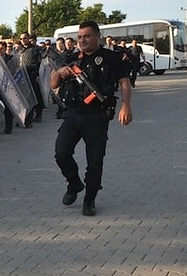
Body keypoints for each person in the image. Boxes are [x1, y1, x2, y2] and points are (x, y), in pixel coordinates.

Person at [51, 21, 132, 216]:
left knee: (94, 160)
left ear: (97, 36)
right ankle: (74, 183)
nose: (82, 40)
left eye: (86, 36)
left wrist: (126, 105)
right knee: (61, 152)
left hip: (97, 115)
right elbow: (53, 83)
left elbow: (125, 83)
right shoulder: (71, 58)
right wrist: (60, 73)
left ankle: (90, 199)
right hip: (72, 114)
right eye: (79, 37)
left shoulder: (110, 58)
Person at [17, 32, 44, 126]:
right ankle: (24, 118)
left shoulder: (36, 49)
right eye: (21, 39)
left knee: (33, 96)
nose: (23, 40)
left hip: (32, 76)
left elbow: (40, 63)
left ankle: (33, 117)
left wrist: (37, 75)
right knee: (23, 98)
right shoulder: (19, 50)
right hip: (22, 77)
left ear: (29, 38)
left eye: (25, 38)